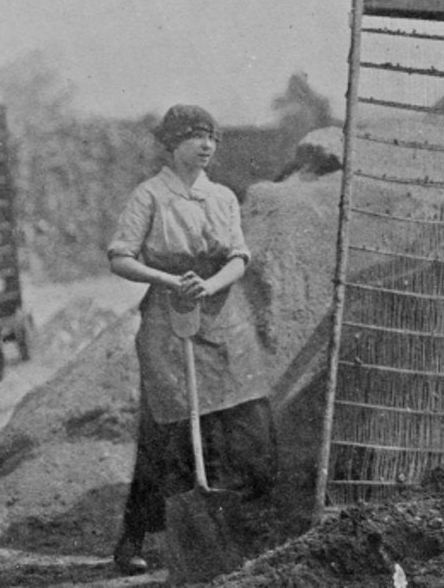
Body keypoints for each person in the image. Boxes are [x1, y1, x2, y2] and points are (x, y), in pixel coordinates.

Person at [107, 104, 277, 574]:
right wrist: (169, 280)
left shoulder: (223, 197)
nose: (206, 145)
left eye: (212, 138)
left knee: (250, 430)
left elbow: (239, 256)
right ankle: (133, 539)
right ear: (171, 143)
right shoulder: (149, 195)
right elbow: (120, 257)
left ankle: (237, 537)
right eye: (195, 136)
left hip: (226, 319)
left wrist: (212, 283)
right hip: (169, 320)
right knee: (168, 436)